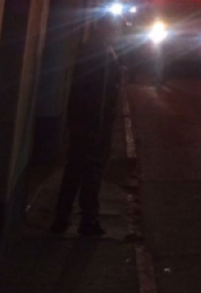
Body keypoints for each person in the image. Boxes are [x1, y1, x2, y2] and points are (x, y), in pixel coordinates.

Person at [50, 12, 121, 236]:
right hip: (94, 124)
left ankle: (62, 218)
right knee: (92, 170)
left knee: (74, 169)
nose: (119, 33)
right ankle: (88, 219)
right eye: (116, 29)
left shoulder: (90, 48)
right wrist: (98, 128)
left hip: (82, 120)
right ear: (107, 29)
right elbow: (100, 94)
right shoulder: (102, 53)